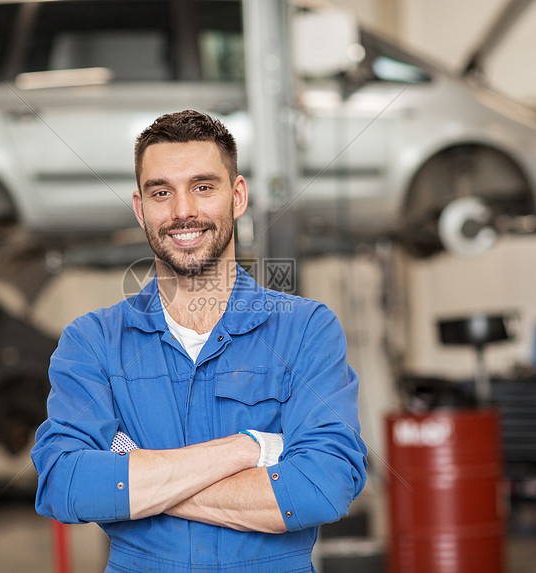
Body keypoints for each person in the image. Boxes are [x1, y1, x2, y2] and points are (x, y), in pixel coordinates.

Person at [32, 110, 367, 572]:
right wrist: (249, 449)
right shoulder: (92, 343)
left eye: (203, 187)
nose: (182, 211)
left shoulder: (306, 330)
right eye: (161, 192)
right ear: (139, 207)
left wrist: (139, 478)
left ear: (238, 196)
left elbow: (322, 488)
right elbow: (65, 484)